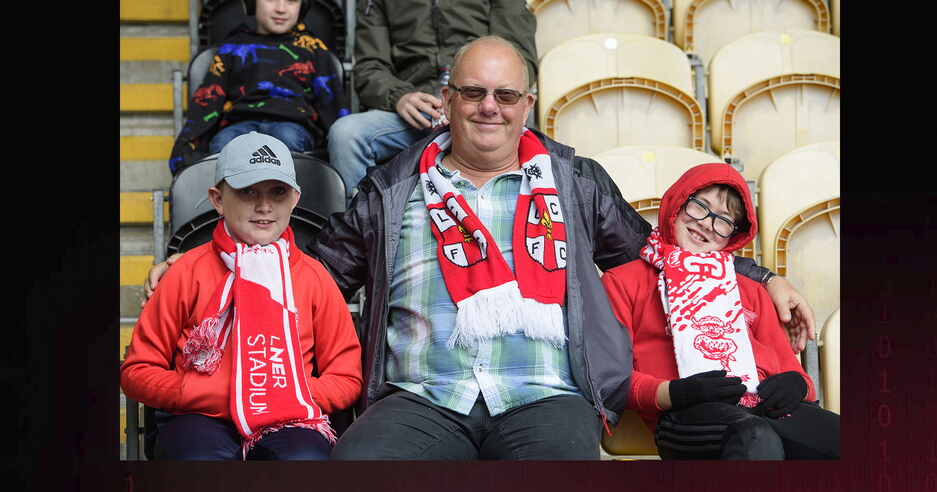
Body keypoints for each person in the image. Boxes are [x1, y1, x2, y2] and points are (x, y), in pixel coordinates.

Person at [144, 36, 815, 459]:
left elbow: (655, 252)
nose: (488, 107)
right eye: (472, 92)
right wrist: (201, 264)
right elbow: (307, 273)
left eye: (503, 95)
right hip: (418, 398)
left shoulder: (574, 180)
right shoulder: (391, 185)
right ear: (448, 98)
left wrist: (763, 276)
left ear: (527, 104)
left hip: (547, 395)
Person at [122, 132, 362, 460]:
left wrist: (288, 395)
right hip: (200, 416)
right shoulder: (185, 272)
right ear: (217, 199)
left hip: (292, 417)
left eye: (278, 192)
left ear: (294, 199)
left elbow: (346, 376)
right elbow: (137, 371)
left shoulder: (314, 277)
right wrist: (203, 392)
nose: (264, 206)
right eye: (247, 191)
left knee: (305, 461)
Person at [600, 162, 839, 460]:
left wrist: (796, 387)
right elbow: (611, 378)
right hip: (684, 414)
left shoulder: (750, 289)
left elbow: (795, 373)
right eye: (700, 206)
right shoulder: (623, 281)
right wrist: (675, 393)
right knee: (755, 439)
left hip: (761, 406)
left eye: (723, 220)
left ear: (732, 235)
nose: (706, 223)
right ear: (677, 203)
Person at [325, 0, 538, 197]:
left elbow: (521, 60)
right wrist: (400, 97)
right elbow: (369, 66)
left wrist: (470, 98)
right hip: (412, 112)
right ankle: (361, 223)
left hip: (478, 104)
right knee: (346, 134)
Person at [169, 0, 350, 174]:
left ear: (304, 3)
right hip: (239, 124)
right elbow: (207, 102)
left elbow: (333, 107)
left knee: (287, 138)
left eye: (291, 0)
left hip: (293, 125)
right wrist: (186, 147)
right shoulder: (233, 48)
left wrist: (340, 147)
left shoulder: (313, 48)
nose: (281, 8)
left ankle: (287, 202)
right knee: (223, 142)